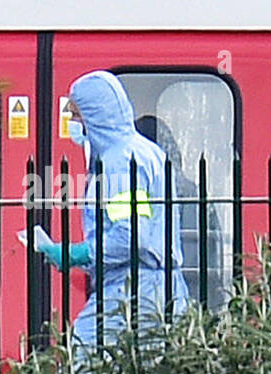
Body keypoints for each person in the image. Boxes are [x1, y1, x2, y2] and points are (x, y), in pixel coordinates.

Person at [34, 71, 189, 352]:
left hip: (131, 290)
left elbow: (131, 236)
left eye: (77, 116)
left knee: (85, 362)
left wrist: (77, 253)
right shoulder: (146, 151)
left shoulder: (118, 163)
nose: (74, 125)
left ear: (95, 117)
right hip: (157, 288)